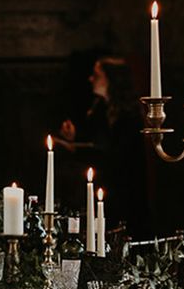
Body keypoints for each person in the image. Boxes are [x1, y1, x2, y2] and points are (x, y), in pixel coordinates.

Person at [57, 54, 148, 235]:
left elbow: (117, 155)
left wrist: (77, 150)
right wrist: (74, 136)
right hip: (99, 183)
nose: (91, 79)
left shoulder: (129, 114)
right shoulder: (99, 108)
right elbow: (95, 139)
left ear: (112, 80)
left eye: (97, 75)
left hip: (123, 190)